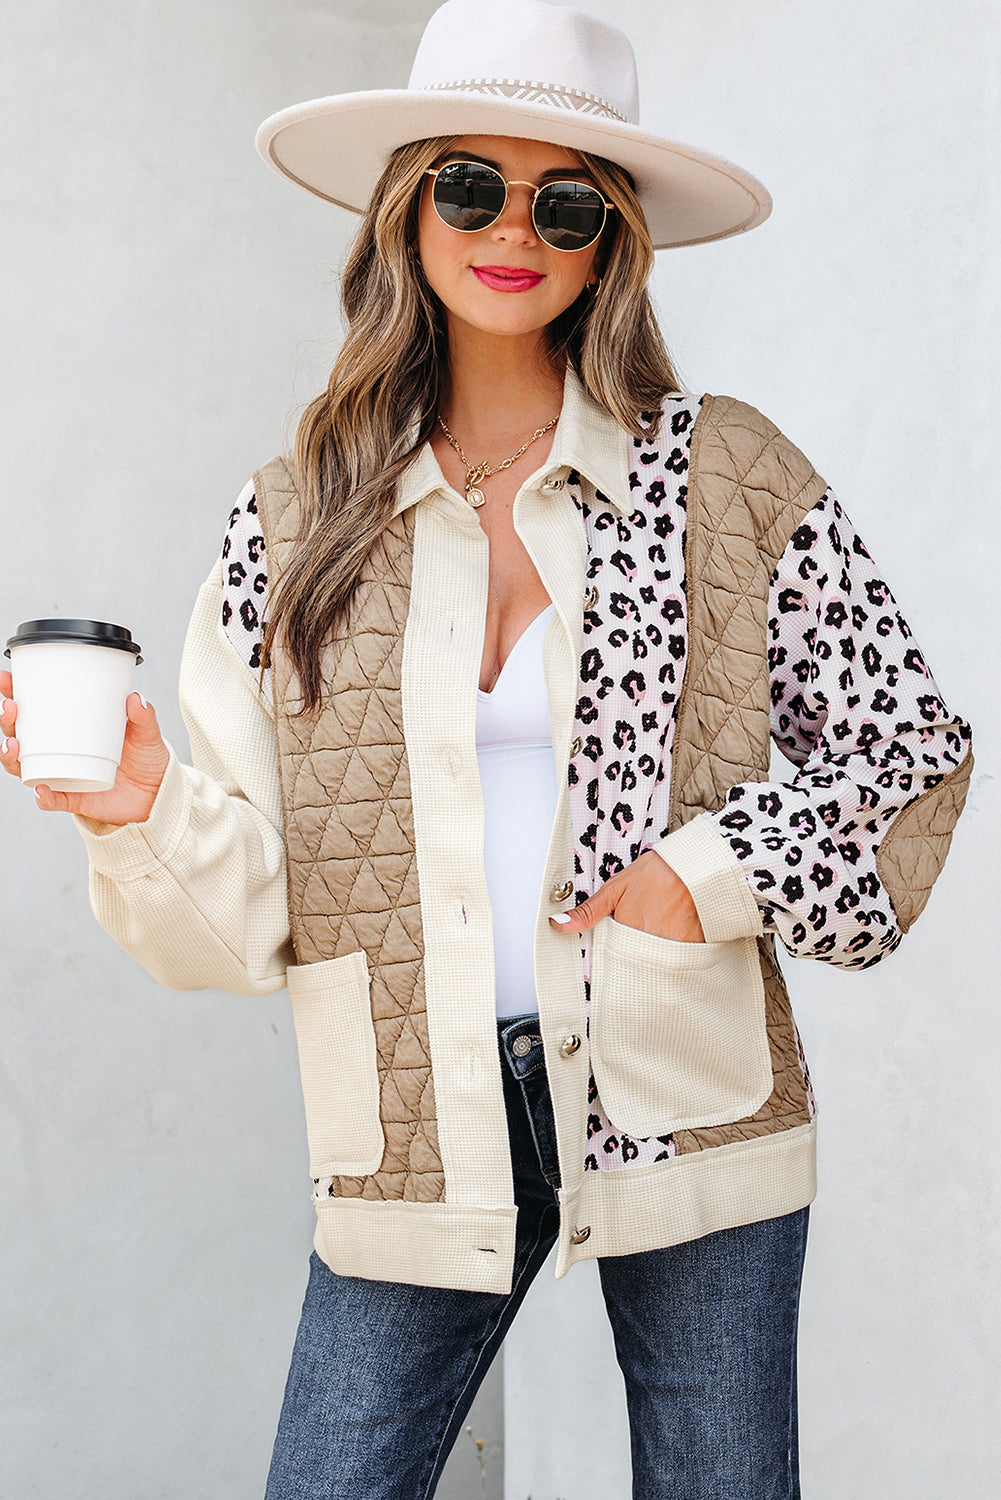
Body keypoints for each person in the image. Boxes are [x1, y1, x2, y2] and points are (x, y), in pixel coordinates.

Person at [0, 1, 973, 1495]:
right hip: (413, 1122)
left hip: (689, 1108)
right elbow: (254, 912)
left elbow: (910, 749)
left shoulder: (724, 473)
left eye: (564, 200)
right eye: (471, 184)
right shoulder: (296, 517)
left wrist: (697, 875)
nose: (512, 228)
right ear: (408, 208)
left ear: (609, 242)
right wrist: (137, 810)